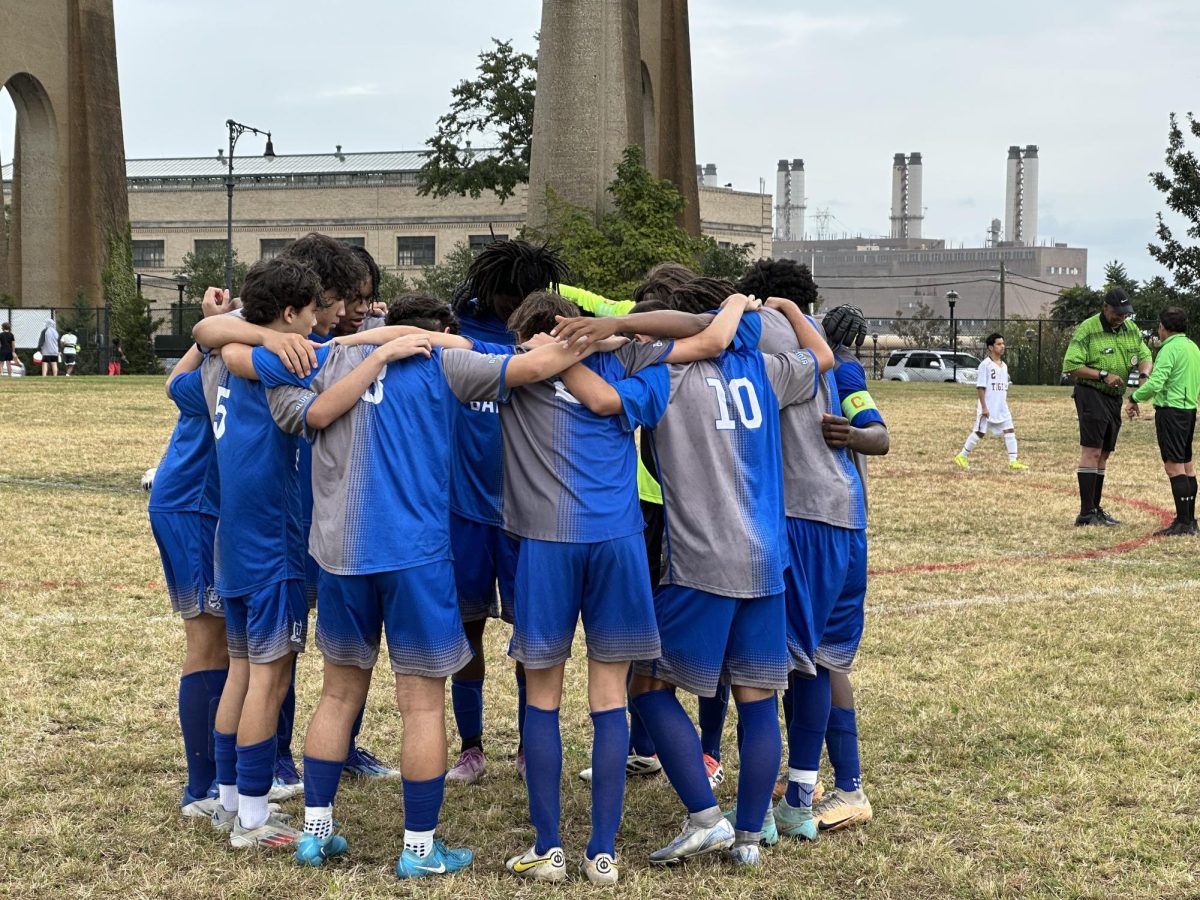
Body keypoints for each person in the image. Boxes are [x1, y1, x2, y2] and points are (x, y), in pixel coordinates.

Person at [246, 299, 616, 878]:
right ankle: (418, 850)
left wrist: (355, 345)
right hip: (415, 555)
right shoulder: (437, 362)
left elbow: (259, 376)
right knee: (421, 703)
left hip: (340, 554)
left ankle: (316, 832)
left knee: (338, 695)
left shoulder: (312, 360)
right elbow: (534, 366)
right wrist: (609, 337)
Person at [558, 291, 833, 869]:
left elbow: (606, 400)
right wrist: (793, 313)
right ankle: (750, 841)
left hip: (698, 561)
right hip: (766, 561)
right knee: (758, 699)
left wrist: (560, 353)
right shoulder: (765, 370)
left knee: (646, 686)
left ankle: (706, 817)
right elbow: (823, 357)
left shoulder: (667, 375)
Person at [194, 257, 322, 851]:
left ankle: (225, 802)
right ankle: (251, 818)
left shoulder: (221, 359)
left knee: (241, 674)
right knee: (267, 681)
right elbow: (337, 362)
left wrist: (247, 327)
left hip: (234, 540)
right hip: (273, 541)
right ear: (290, 312)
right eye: (314, 312)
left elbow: (208, 337)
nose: (320, 325)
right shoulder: (278, 357)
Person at [442, 240, 568, 785]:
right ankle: (471, 747)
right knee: (464, 630)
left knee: (531, 635)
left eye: (525, 293)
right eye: (506, 291)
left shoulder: (553, 338)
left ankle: (526, 743)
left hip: (528, 512)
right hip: (463, 509)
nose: (514, 302)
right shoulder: (454, 333)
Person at [806, 304, 890, 834]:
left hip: (835, 526)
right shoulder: (800, 363)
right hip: (810, 525)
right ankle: (806, 777)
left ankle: (849, 786)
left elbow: (878, 436)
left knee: (826, 658)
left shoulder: (843, 370)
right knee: (803, 658)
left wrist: (849, 434)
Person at [149, 338, 226, 821]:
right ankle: (201, 788)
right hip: (193, 509)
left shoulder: (218, 360)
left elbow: (171, 382)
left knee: (221, 641)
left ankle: (220, 777)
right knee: (208, 641)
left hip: (198, 507)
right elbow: (176, 384)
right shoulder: (225, 371)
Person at [1062, 288, 1152, 526]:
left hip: (1114, 398)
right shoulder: (1088, 329)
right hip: (1092, 392)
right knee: (1092, 450)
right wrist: (1103, 375)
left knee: (1104, 453)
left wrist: (1144, 375)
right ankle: (1086, 513)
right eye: (1117, 313)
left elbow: (1145, 355)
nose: (1121, 317)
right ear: (1105, 308)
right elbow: (1071, 365)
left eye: (1125, 313)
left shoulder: (1130, 330)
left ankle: (1095, 508)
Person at [1127, 307, 1200, 536]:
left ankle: (1183, 524)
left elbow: (1157, 381)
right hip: (1189, 411)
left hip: (1171, 411)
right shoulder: (1192, 347)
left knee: (1173, 466)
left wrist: (1134, 397)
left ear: (1163, 327)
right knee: (1187, 465)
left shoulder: (1169, 349)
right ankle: (1188, 519)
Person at [954, 333, 1029, 470]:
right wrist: (984, 407)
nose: (1002, 346)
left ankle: (1013, 461)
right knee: (980, 432)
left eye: (1003, 343)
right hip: (988, 407)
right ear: (990, 347)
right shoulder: (985, 365)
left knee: (1010, 430)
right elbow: (981, 387)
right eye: (999, 344)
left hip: (1001, 407)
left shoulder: (1004, 365)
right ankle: (962, 456)